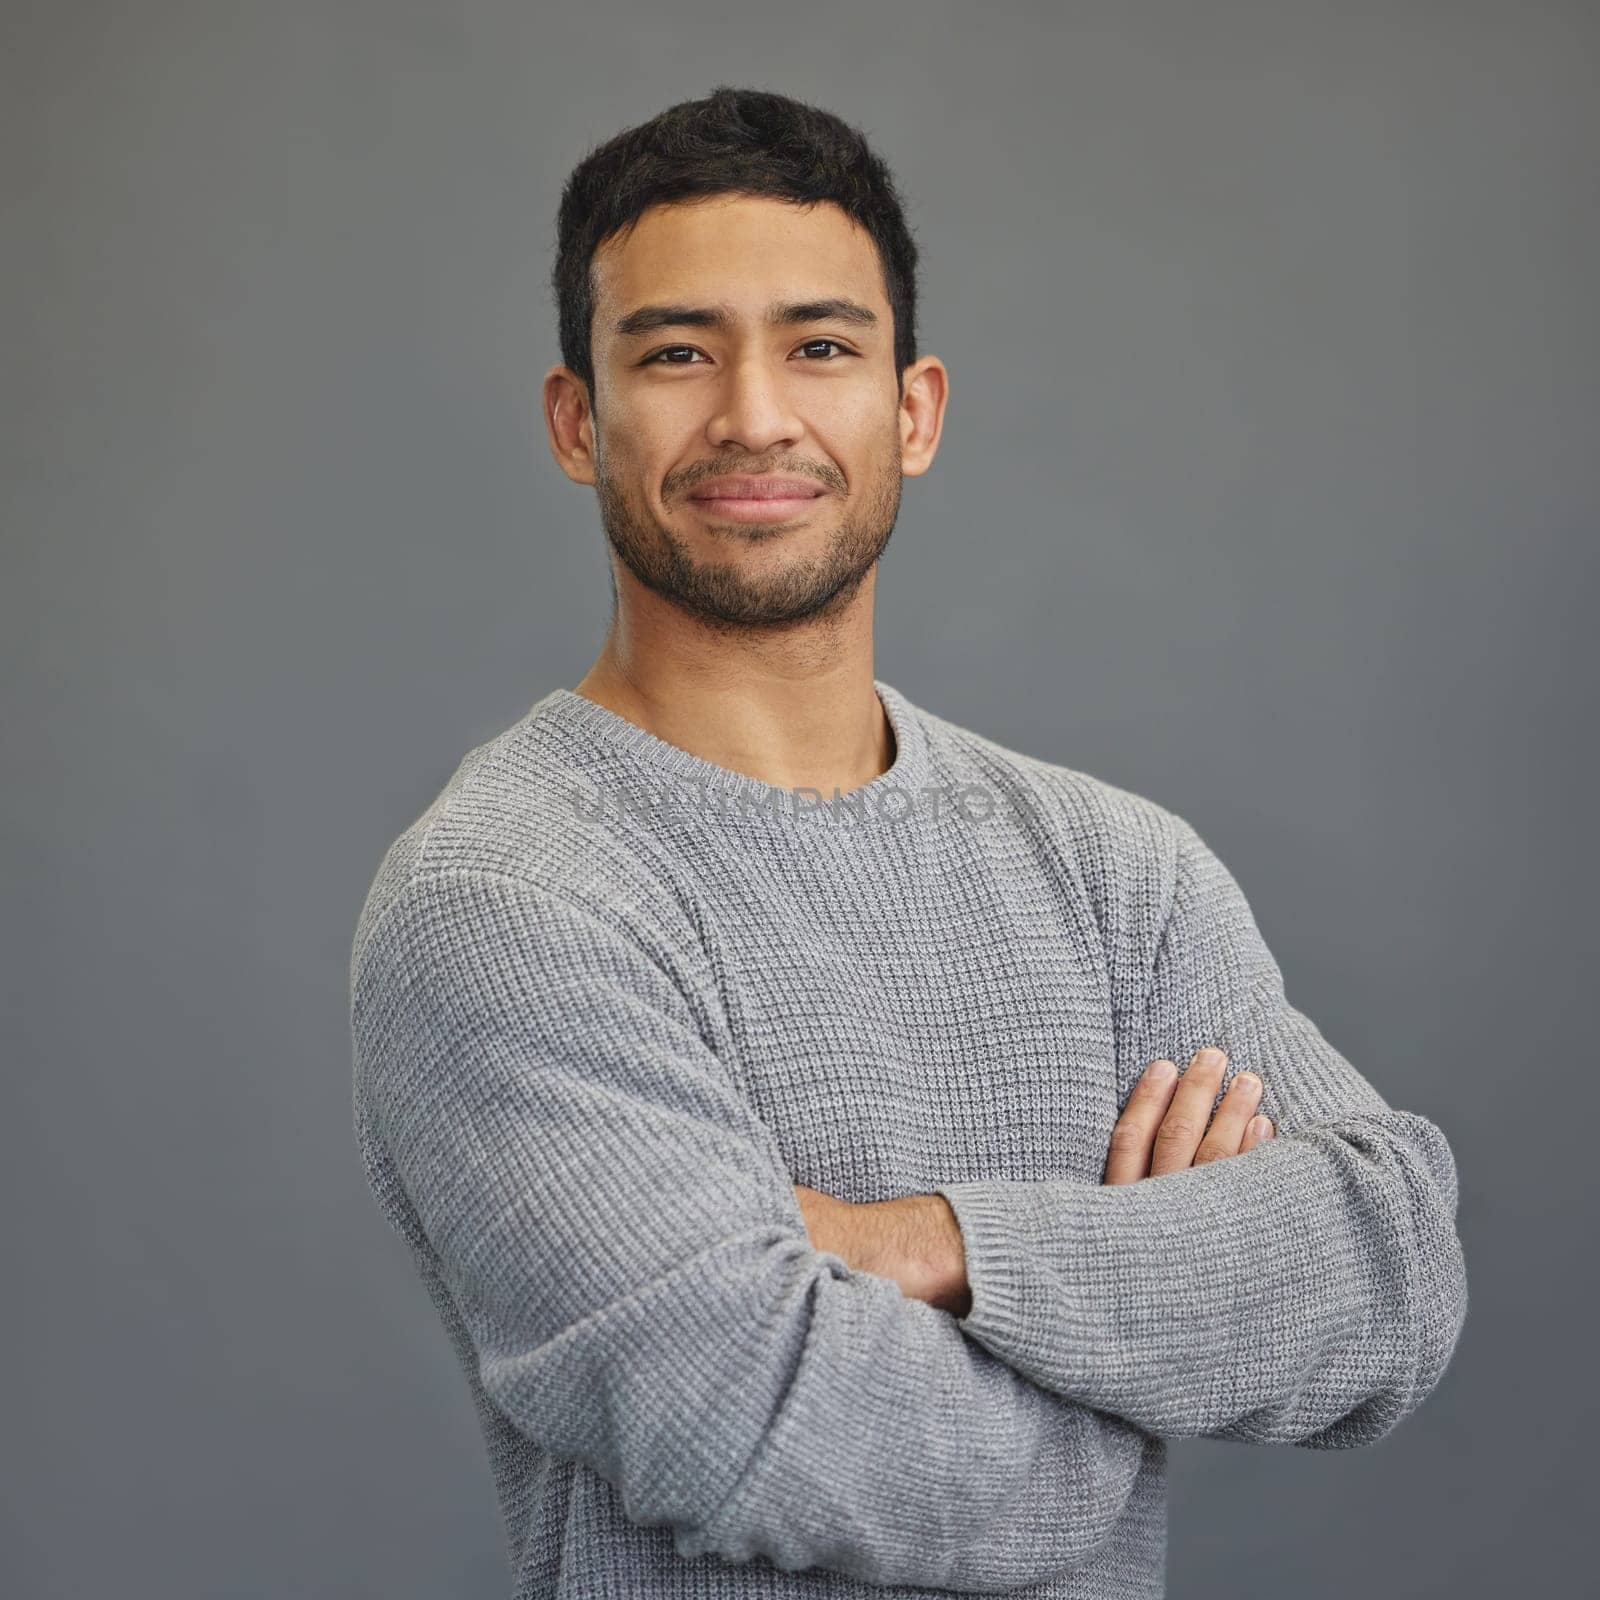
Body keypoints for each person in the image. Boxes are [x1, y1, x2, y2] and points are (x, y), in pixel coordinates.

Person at [348, 85, 1467, 1600]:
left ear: (914, 409)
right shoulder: (507, 897)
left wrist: (935, 1247)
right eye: (676, 352)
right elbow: (775, 1426)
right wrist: (1147, 1355)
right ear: (575, 420)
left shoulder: (1111, 867)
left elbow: (1389, 1281)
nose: (754, 413)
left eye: (820, 346)